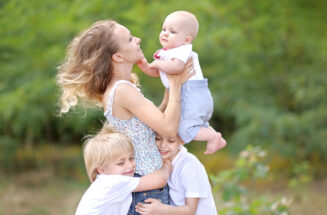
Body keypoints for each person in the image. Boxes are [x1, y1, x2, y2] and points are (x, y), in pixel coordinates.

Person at [57, 20, 194, 215]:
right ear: (118, 56)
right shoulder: (122, 90)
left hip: (148, 185)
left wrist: (170, 85)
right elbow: (168, 129)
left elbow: (155, 122)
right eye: (130, 39)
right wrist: (176, 85)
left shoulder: (120, 87)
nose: (137, 39)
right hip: (148, 188)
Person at [137, 11, 226, 155]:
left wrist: (157, 64)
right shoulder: (169, 52)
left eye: (172, 31)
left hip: (192, 95)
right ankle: (215, 136)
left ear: (186, 39)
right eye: (164, 29)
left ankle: (213, 137)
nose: (165, 33)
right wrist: (146, 67)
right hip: (194, 96)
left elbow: (177, 68)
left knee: (184, 129)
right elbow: (161, 72)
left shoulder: (182, 50)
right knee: (196, 124)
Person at [75, 125, 171, 215]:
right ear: (102, 170)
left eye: (131, 158)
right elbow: (160, 180)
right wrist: (166, 166)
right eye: (121, 163)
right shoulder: (113, 183)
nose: (129, 165)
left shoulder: (102, 183)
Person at [135, 133, 217, 215]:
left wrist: (160, 209)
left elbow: (191, 210)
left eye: (171, 141)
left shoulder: (189, 165)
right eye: (158, 139)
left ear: (182, 141)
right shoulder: (161, 161)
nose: (163, 145)